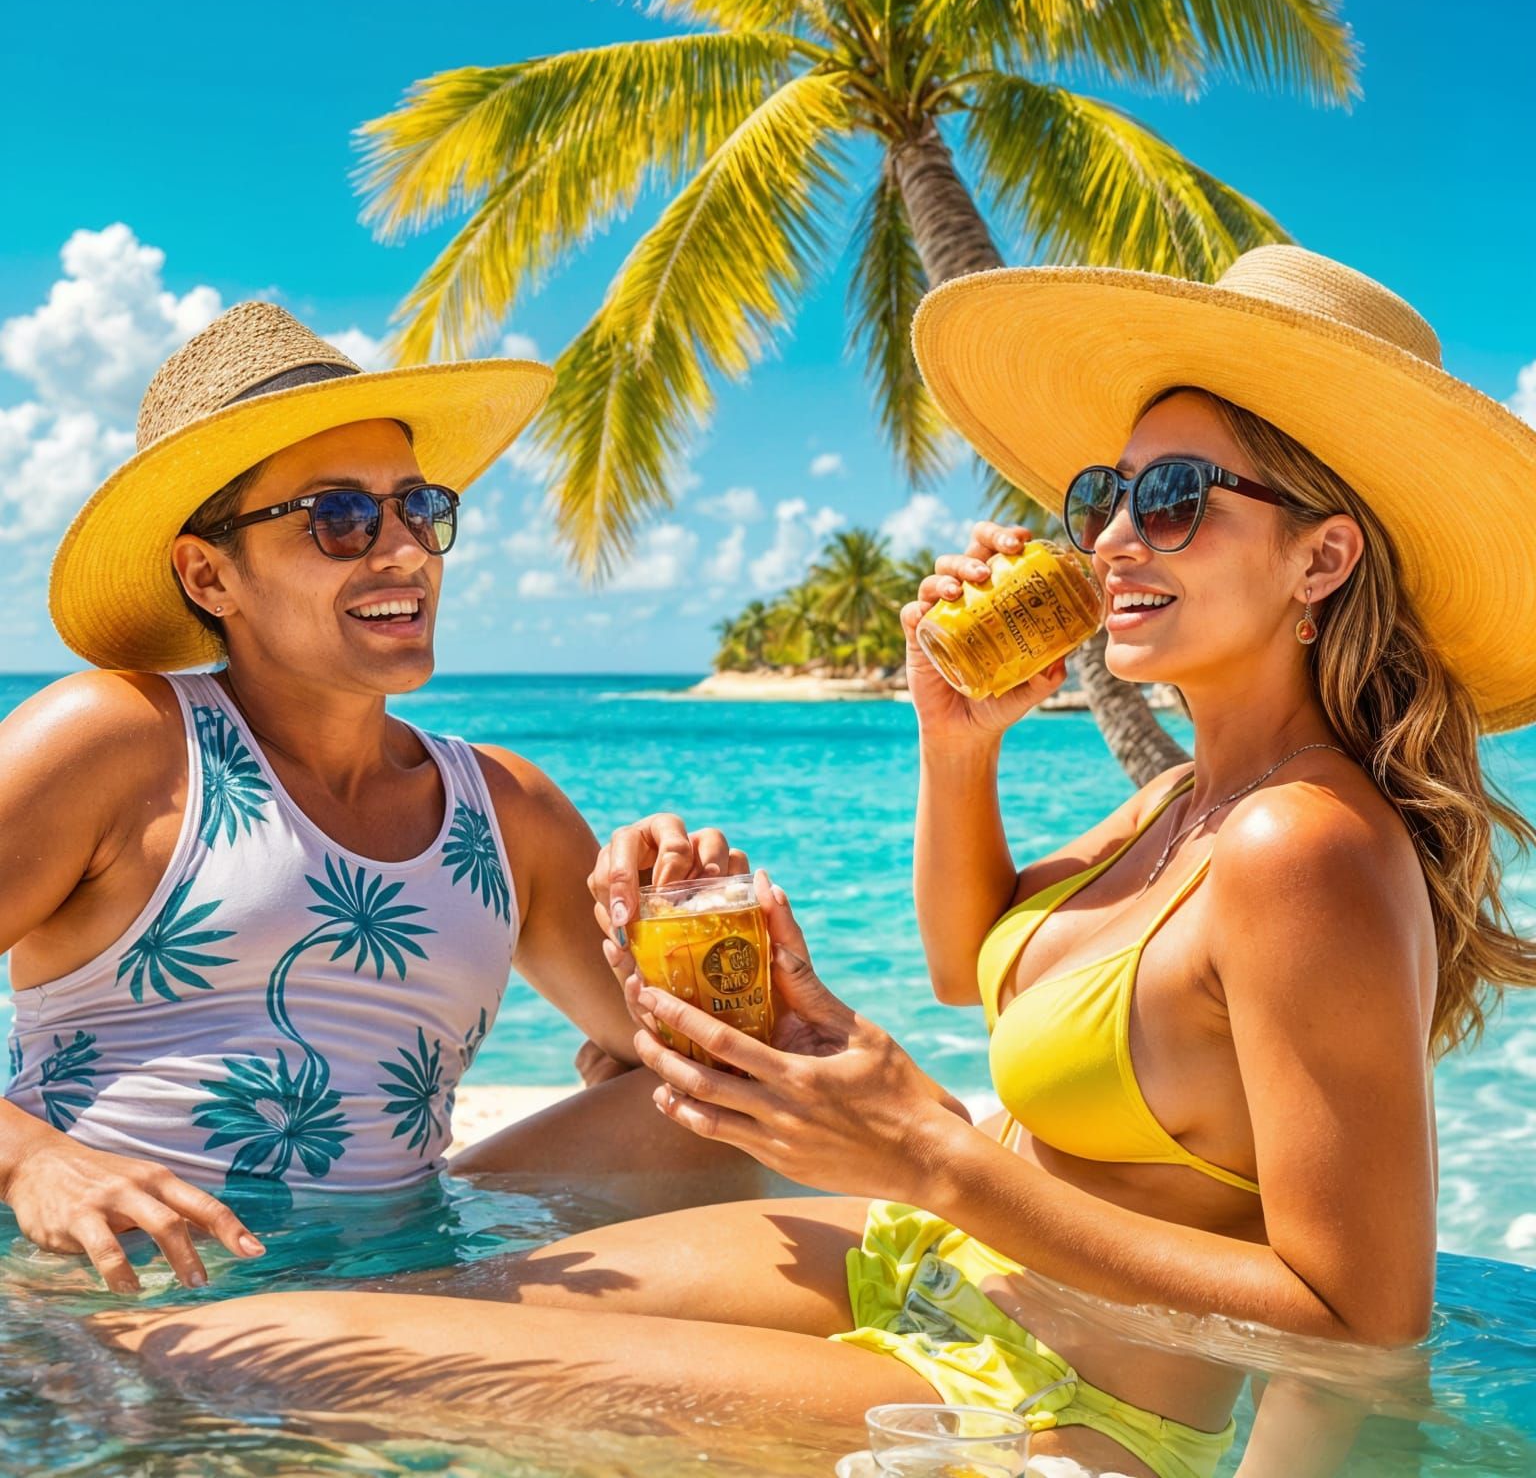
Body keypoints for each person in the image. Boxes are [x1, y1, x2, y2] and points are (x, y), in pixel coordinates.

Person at [98, 248, 1536, 1477]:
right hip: (938, 1271)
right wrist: (956, 744)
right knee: (336, 1317)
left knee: (258, 1360)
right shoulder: (1183, 799)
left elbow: (1365, 1325)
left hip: (1058, 1399)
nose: (1108, 537)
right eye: (1104, 491)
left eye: (1173, 497)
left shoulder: (1301, 844)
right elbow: (967, 966)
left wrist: (933, 1158)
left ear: (1322, 559)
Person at [0, 302, 757, 1296]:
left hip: (403, 1281)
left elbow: (700, 1064)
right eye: (340, 517)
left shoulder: (506, 810)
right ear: (209, 574)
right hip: (128, 1296)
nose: (404, 551)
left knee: (716, 1118)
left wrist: (683, 915)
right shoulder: (119, 741)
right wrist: (31, 1160)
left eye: (420, 508)